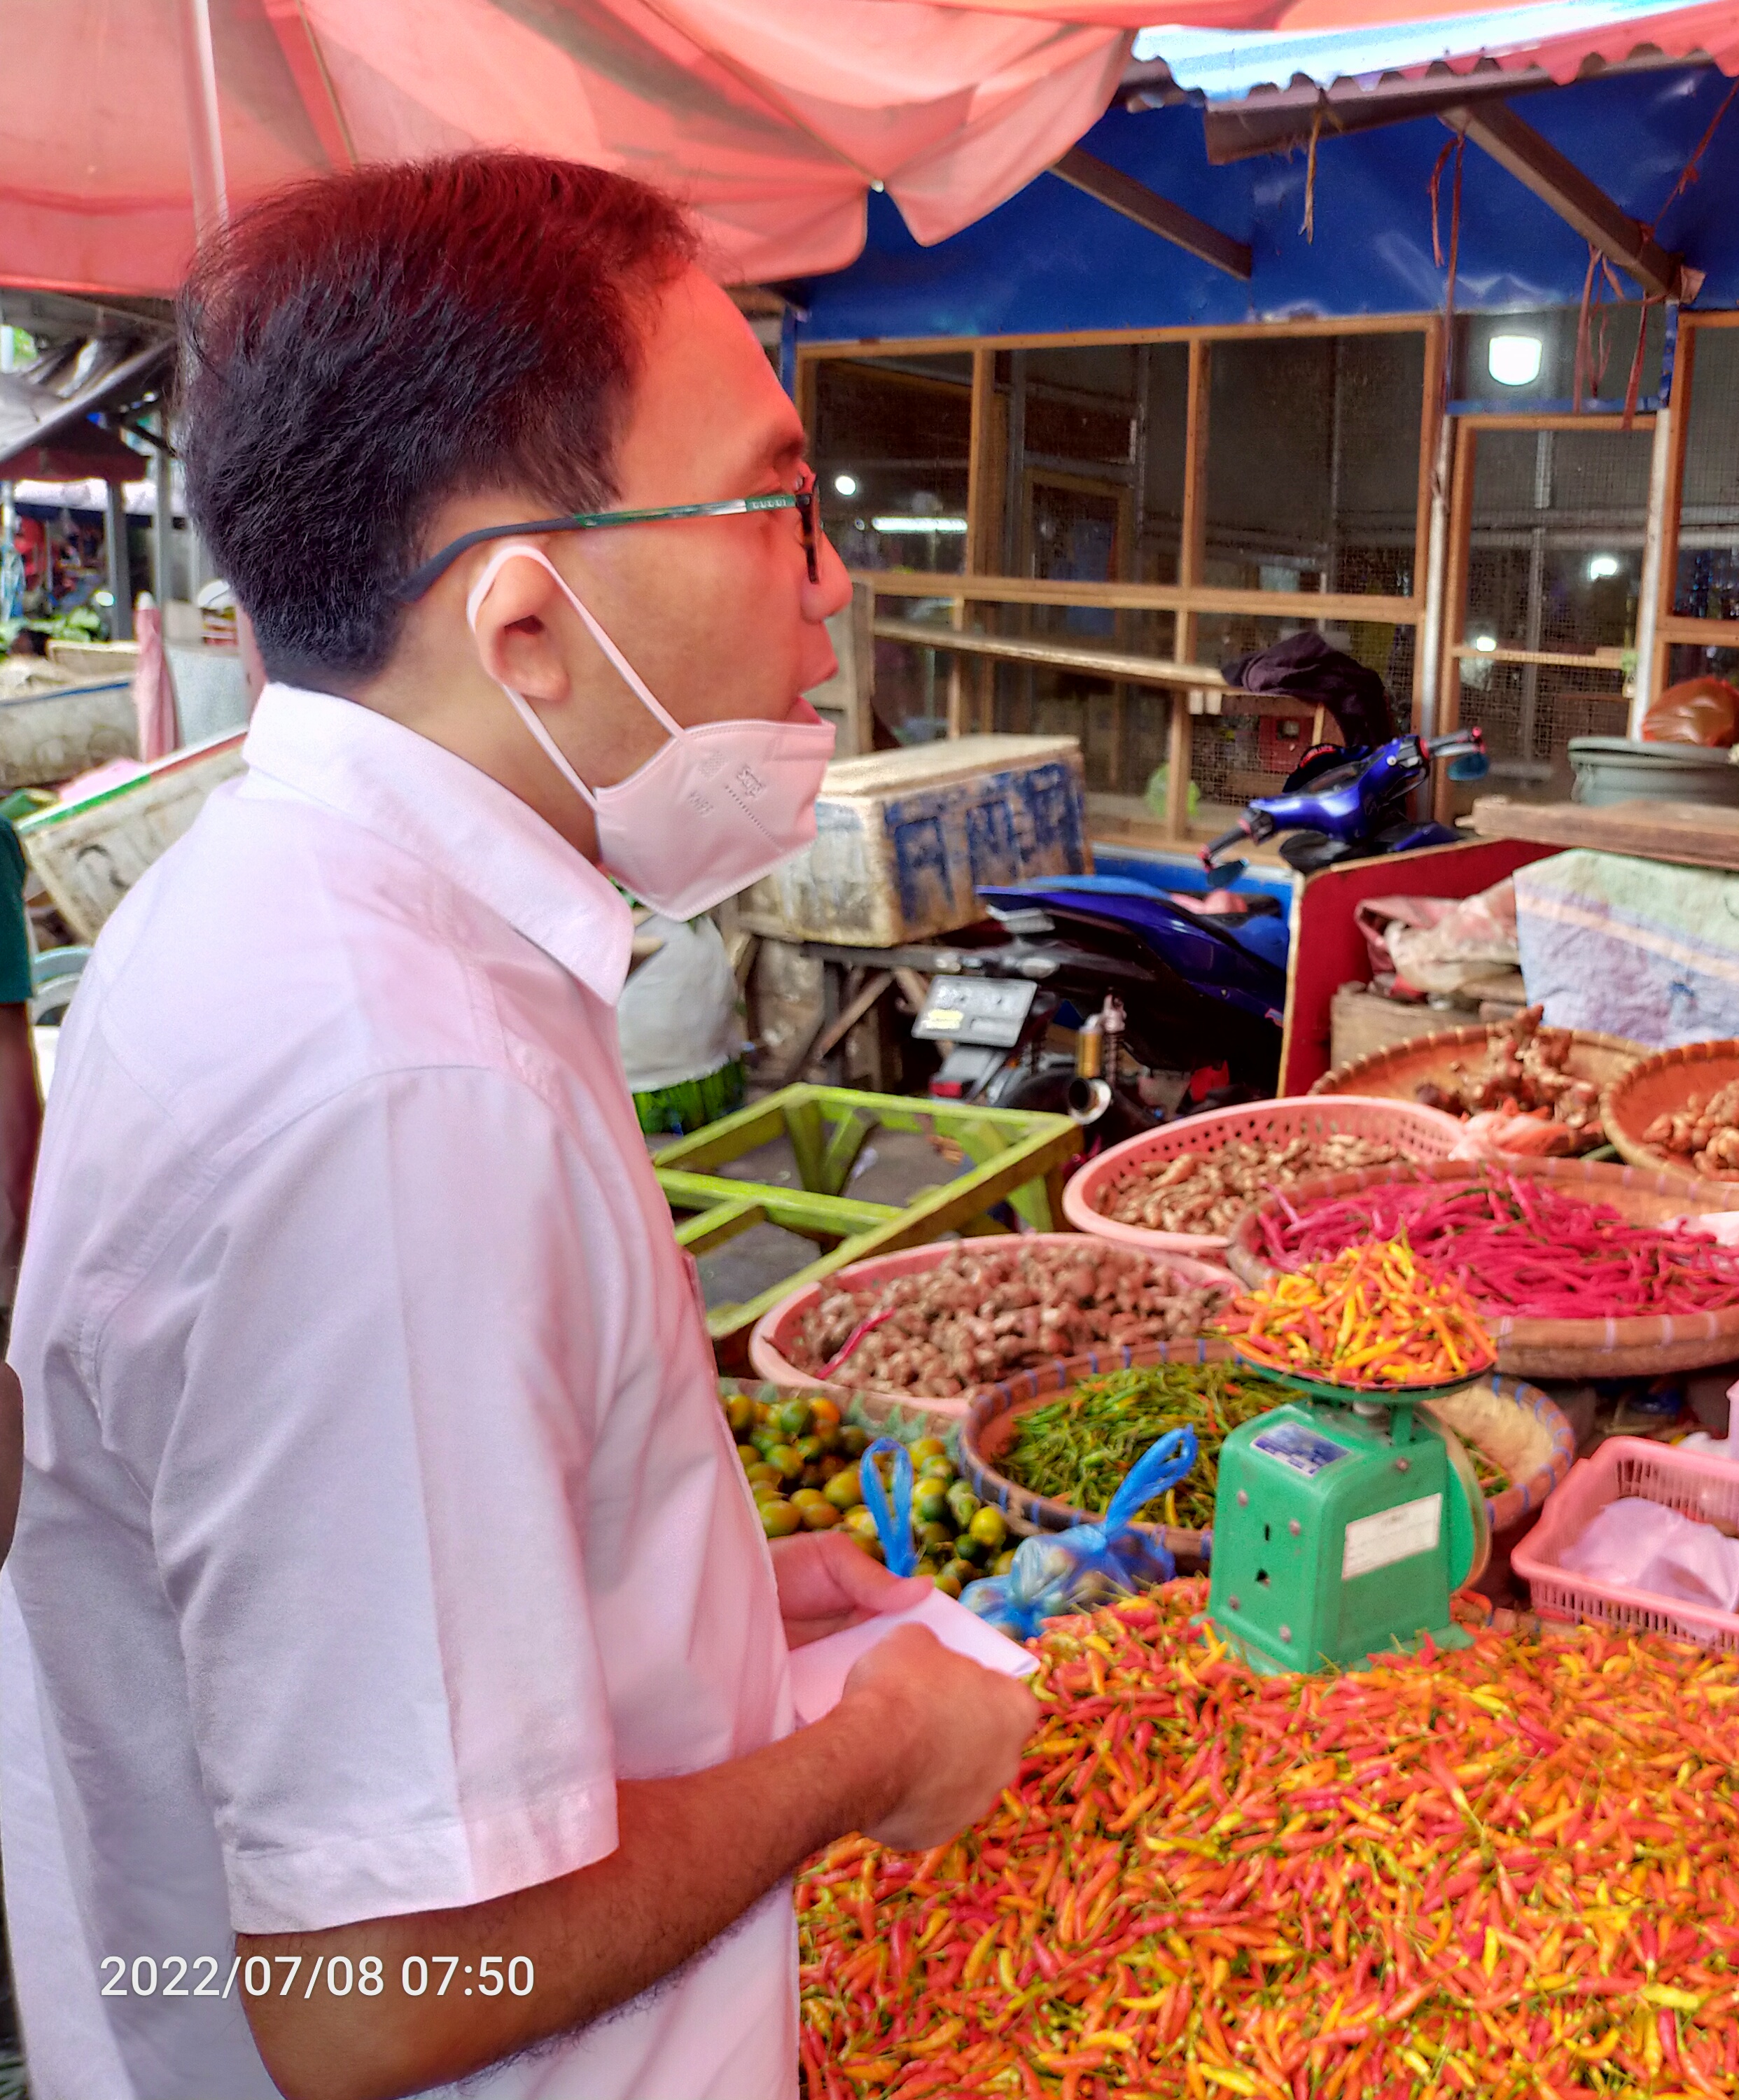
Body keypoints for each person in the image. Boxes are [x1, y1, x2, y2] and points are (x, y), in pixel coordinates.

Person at [0, 152, 1039, 2100]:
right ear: (530, 630)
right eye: (779, 508)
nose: (831, 586)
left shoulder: (286, 915)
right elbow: (366, 1993)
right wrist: (864, 1757)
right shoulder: (398, 1092)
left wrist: (720, 1610)